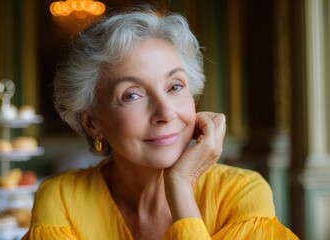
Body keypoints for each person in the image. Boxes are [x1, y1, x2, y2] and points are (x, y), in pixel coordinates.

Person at [22, 7, 298, 240]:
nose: (165, 112)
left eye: (175, 86)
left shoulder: (241, 194)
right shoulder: (61, 198)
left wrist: (180, 185)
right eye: (132, 95)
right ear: (93, 124)